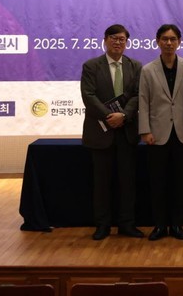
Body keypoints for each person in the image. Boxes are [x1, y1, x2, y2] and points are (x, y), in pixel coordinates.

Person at [80, 24, 144, 240]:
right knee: (102, 183)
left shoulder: (136, 66)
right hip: (101, 132)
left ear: (127, 42)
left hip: (127, 131)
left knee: (128, 182)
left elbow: (138, 95)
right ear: (105, 40)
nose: (118, 42)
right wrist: (110, 116)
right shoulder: (91, 66)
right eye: (114, 38)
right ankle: (102, 225)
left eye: (122, 39)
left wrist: (123, 115)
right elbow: (89, 96)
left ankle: (127, 224)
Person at [139, 24, 183, 241]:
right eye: (165, 39)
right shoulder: (148, 70)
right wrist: (145, 130)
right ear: (157, 41)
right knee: (158, 183)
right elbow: (143, 102)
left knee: (181, 183)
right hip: (157, 135)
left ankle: (177, 225)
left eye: (173, 39)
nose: (169, 43)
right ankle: (160, 226)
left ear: (179, 42)